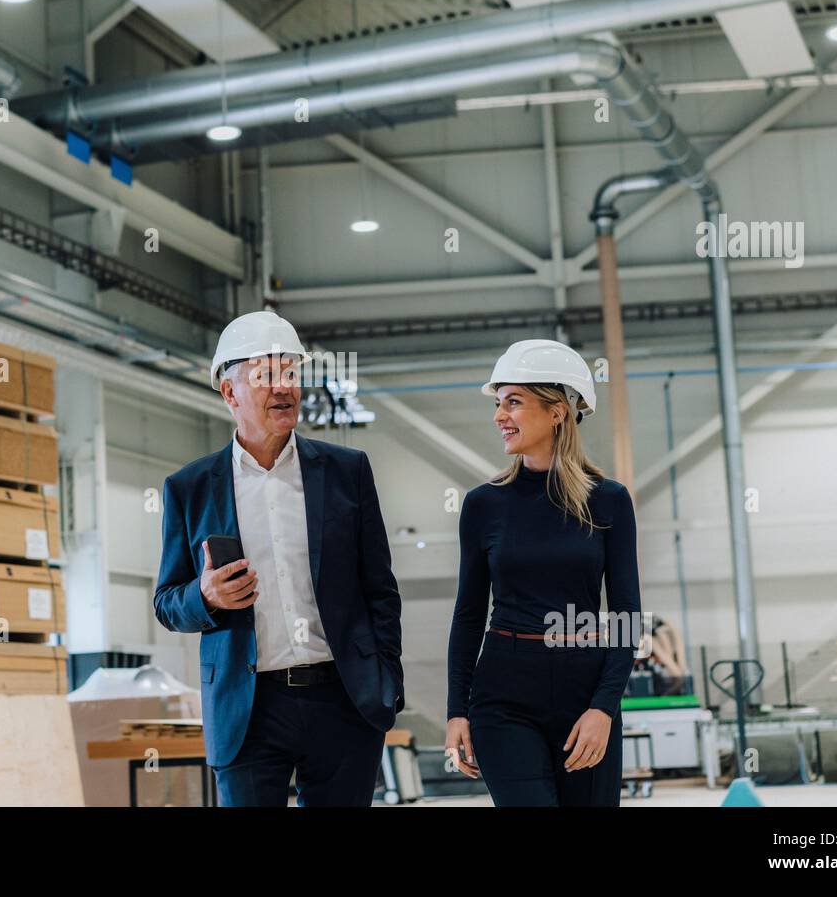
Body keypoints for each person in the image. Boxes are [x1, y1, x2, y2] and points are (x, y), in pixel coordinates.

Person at [154, 310, 403, 806]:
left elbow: (380, 589)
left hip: (342, 698)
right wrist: (205, 595)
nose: (284, 387)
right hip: (247, 708)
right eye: (265, 376)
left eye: (290, 373)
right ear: (230, 394)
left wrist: (386, 683)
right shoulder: (190, 489)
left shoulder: (346, 471)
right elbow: (167, 601)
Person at [444, 339, 641, 806]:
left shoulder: (609, 500)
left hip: (584, 693)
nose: (499, 416)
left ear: (557, 411)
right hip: (503, 697)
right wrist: (457, 711)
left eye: (513, 401)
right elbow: (468, 615)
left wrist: (603, 708)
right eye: (498, 403)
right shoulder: (483, 505)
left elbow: (627, 615)